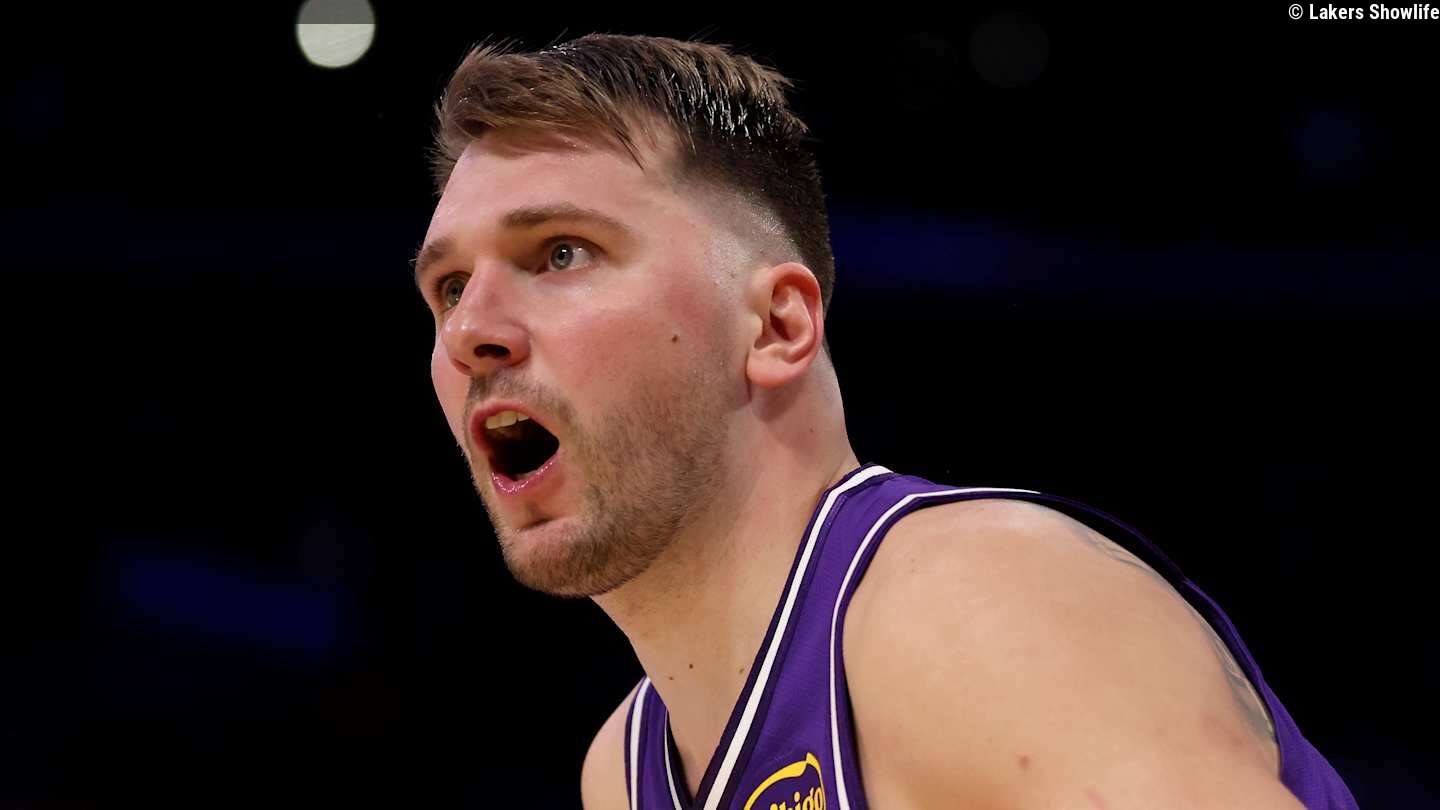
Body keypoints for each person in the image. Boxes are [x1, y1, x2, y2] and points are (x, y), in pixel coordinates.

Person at [411, 33, 1357, 810]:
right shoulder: (624, 769)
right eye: (449, 287)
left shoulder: (970, 607)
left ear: (777, 326)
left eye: (561, 253)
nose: (468, 332)